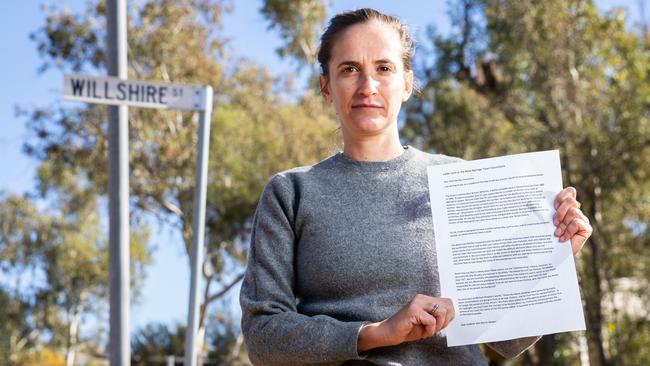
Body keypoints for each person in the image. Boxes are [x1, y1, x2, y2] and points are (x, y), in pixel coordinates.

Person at [239, 8, 592, 366]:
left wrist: (554, 257)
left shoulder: (462, 182)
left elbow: (507, 339)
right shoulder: (291, 193)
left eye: (384, 68)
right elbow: (264, 336)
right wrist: (375, 333)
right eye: (349, 69)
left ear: (407, 82)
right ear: (325, 86)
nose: (368, 87)